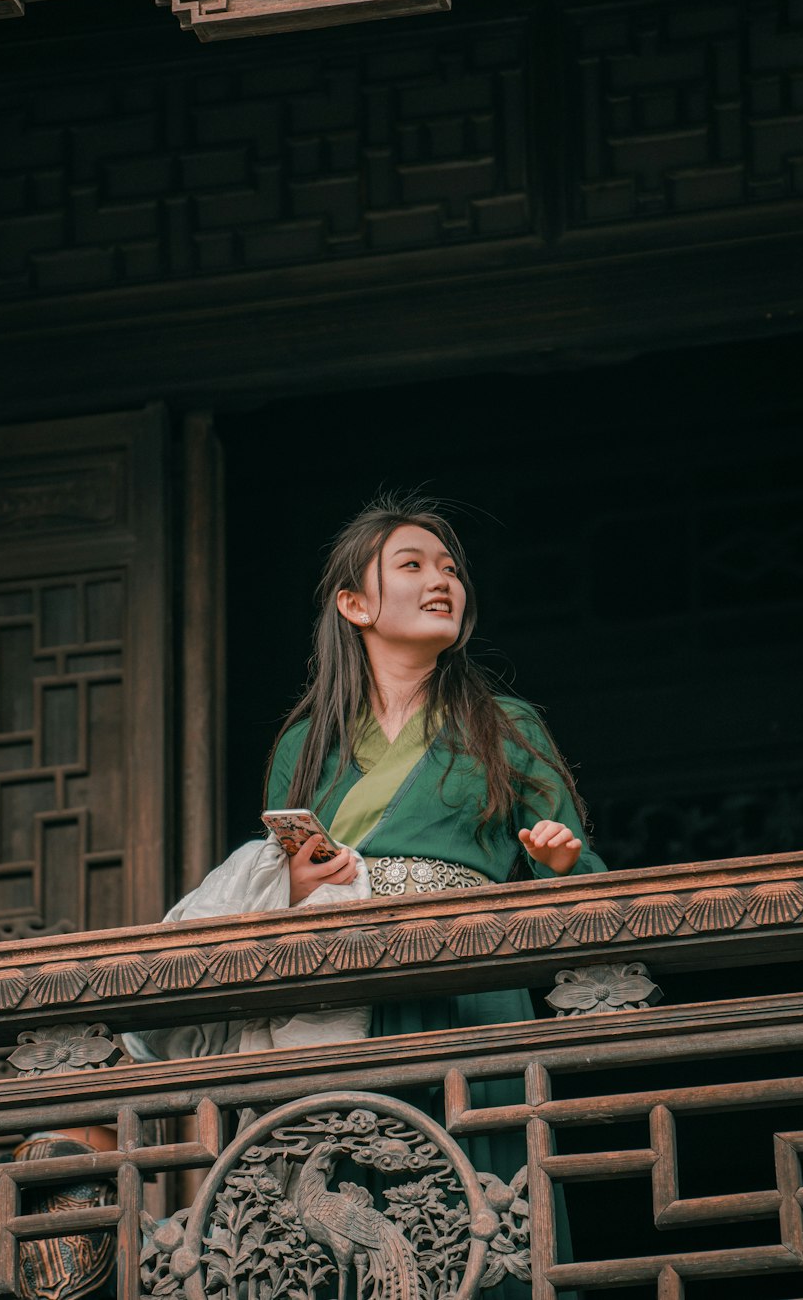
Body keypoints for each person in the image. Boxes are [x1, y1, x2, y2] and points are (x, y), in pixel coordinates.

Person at [264, 493, 604, 1299]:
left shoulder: (506, 725)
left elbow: (590, 880)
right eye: (412, 566)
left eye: (450, 568)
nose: (440, 580)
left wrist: (558, 863)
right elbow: (273, 890)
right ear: (355, 603)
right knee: (357, 1211)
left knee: (492, 1210)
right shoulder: (305, 743)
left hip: (475, 988)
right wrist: (301, 884)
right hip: (348, 993)